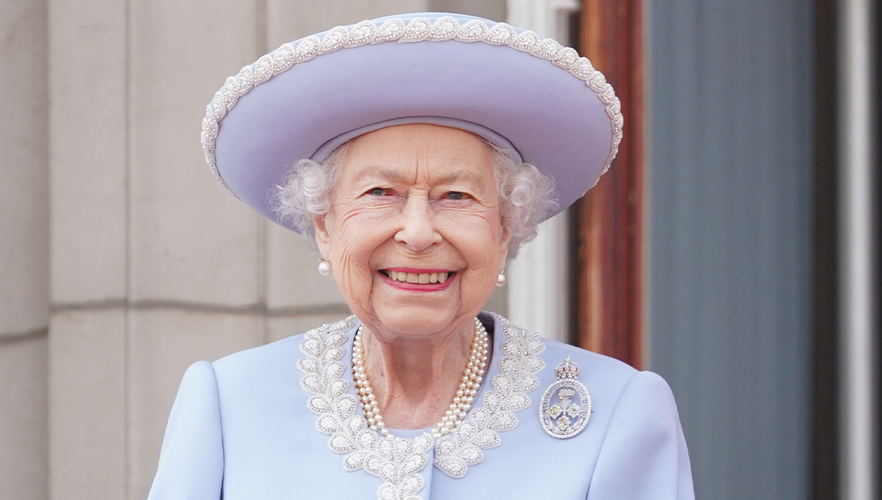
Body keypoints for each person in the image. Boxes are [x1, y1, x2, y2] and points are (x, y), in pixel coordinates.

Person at [149, 12, 694, 500]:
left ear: (505, 228)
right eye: (379, 193)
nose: (416, 232)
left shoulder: (615, 413)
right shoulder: (228, 403)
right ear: (324, 225)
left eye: (456, 196)